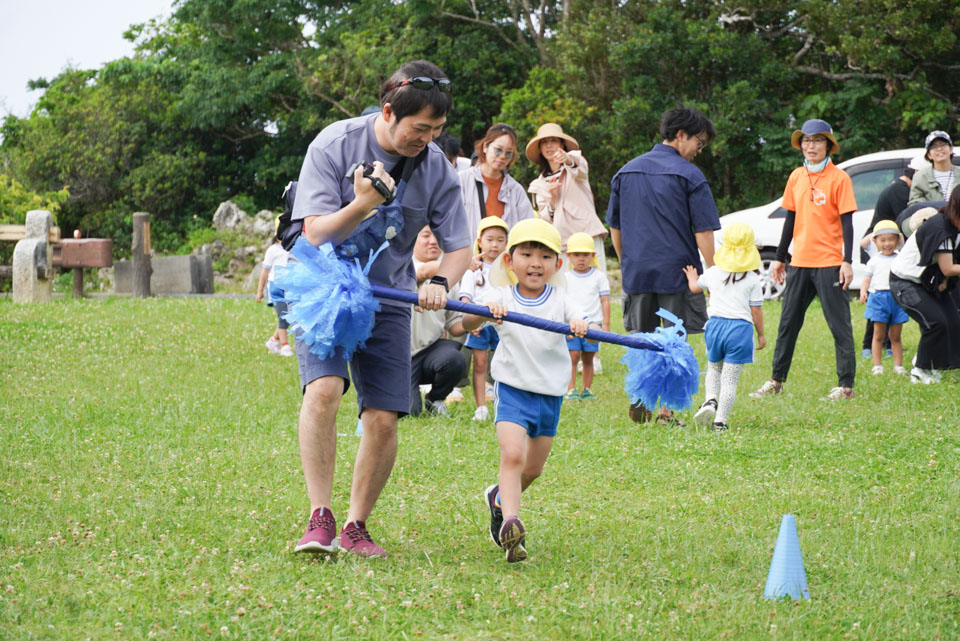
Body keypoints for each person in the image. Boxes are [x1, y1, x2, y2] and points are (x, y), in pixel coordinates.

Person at [290, 60, 471, 558]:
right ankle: (319, 517)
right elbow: (313, 233)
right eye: (420, 129)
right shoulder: (333, 144)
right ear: (389, 111)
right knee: (324, 390)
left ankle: (355, 525)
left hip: (388, 297)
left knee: (385, 418)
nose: (428, 139)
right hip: (323, 286)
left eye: (437, 130)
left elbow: (460, 248)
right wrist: (361, 204)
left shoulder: (436, 167)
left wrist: (440, 280)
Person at [462, 218, 591, 563]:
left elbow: (583, 322)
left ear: (557, 264)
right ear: (509, 260)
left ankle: (499, 498)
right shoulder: (500, 296)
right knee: (513, 456)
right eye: (527, 253)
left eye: (545, 256)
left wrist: (579, 326)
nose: (536, 262)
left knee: (532, 470)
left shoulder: (562, 299)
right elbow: (466, 323)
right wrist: (484, 312)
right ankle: (511, 527)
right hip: (513, 389)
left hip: (549, 394)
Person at [607, 107, 720, 424]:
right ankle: (666, 412)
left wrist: (626, 260)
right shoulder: (690, 175)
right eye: (699, 141)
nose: (700, 150)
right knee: (673, 341)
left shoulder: (625, 172)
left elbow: (616, 229)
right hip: (677, 273)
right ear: (681, 135)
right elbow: (704, 231)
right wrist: (713, 275)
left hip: (637, 271)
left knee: (642, 338)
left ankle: (640, 397)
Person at [751, 119, 858, 401]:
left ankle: (845, 387)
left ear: (828, 145)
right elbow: (790, 218)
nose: (811, 146)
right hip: (799, 261)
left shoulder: (840, 179)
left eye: (817, 141)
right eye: (806, 141)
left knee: (839, 325)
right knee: (788, 323)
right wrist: (779, 258)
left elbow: (848, 223)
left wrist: (846, 261)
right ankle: (776, 380)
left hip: (829, 262)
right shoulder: (796, 176)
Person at [683, 222, 765, 431]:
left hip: (715, 327)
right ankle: (720, 422)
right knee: (730, 379)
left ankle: (710, 399)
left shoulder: (713, 273)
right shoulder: (753, 279)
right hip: (740, 331)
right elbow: (756, 311)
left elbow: (694, 288)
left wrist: (692, 276)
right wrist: (761, 335)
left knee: (713, 368)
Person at [890, 187, 960, 384]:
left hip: (927, 281)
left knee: (954, 322)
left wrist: (945, 282)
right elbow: (947, 267)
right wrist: (945, 277)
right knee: (935, 323)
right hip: (904, 281)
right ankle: (920, 370)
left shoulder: (954, 227)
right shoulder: (941, 229)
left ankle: (928, 362)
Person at [859, 155, 927, 357]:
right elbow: (907, 223)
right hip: (878, 248)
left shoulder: (903, 188)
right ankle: (868, 346)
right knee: (877, 302)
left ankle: (889, 345)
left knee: (890, 298)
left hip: (890, 248)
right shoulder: (900, 190)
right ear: (916, 175)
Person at [526, 123, 608, 268]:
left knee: (594, 285)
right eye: (544, 142)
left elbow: (579, 167)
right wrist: (552, 197)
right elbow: (545, 219)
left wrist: (568, 159)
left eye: (553, 141)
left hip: (588, 236)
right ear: (539, 148)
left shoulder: (574, 166)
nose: (549, 146)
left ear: (562, 144)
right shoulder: (538, 184)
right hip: (562, 243)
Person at [409, 226, 468, 416]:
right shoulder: (403, 266)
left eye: (438, 237)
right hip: (397, 355)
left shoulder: (450, 280)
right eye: (426, 235)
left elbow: (456, 327)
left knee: (455, 360)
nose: (433, 241)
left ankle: (435, 399)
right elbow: (423, 271)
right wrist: (465, 262)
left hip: (429, 352)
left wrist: (479, 319)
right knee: (410, 411)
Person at [458, 217, 510, 421]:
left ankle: (502, 403)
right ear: (480, 241)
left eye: (500, 240)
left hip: (501, 323)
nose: (495, 245)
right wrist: (470, 320)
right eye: (490, 239)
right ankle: (481, 407)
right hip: (479, 324)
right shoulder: (473, 269)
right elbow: (465, 297)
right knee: (479, 364)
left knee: (502, 364)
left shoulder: (509, 270)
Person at [458, 123, 535, 242]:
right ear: (485, 147)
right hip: (468, 257)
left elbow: (528, 229)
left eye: (508, 153)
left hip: (503, 259)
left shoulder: (515, 190)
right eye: (498, 150)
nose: (502, 156)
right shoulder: (462, 181)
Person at [563, 232, 610, 400]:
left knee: (588, 358)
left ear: (593, 255)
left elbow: (604, 301)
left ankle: (587, 389)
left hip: (593, 324)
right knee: (573, 356)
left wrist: (606, 324)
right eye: (576, 255)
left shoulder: (599, 277)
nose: (581, 259)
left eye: (585, 255)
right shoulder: (565, 278)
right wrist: (564, 325)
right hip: (572, 325)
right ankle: (570, 389)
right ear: (568, 256)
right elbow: (562, 303)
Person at [859, 220, 909, 376]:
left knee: (895, 336)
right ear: (875, 242)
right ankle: (877, 365)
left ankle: (898, 365)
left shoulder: (901, 258)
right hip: (878, 298)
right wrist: (863, 292)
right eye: (882, 240)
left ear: (897, 240)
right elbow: (867, 278)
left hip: (897, 298)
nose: (887, 243)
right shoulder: (874, 259)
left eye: (891, 239)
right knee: (878, 335)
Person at [257, 236, 293, 357]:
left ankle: (274, 340)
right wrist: (260, 290)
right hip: (276, 288)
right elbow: (265, 271)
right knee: (283, 316)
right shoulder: (273, 250)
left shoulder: (293, 248)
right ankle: (284, 345)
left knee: (290, 316)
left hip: (290, 287)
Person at [908, 131, 960, 205]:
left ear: (951, 149)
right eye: (934, 146)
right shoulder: (920, 177)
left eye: (942, 144)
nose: (939, 149)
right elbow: (915, 204)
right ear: (929, 155)